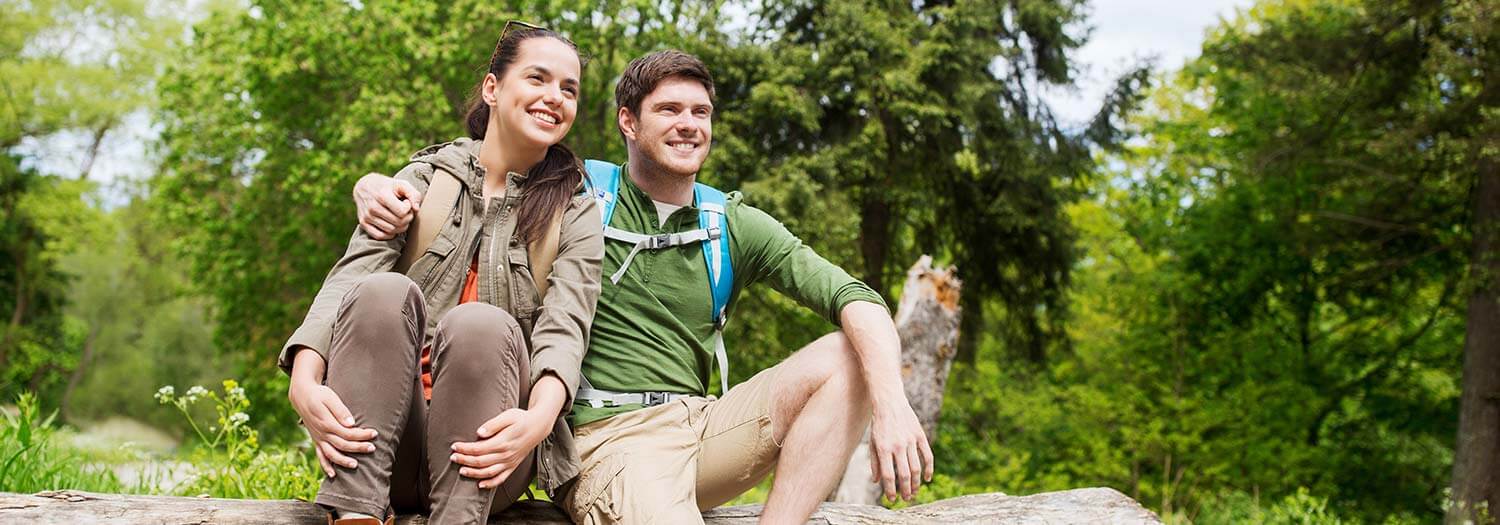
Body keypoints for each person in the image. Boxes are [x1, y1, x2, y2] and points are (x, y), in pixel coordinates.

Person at [354, 50, 933, 524]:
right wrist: (376, 184)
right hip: (605, 438)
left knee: (850, 354)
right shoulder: (572, 188)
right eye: (670, 109)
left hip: (703, 426)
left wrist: (892, 403)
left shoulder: (729, 223)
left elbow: (855, 296)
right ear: (628, 122)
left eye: (701, 112)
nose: (689, 124)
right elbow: (480, 162)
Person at [280, 24, 603, 525]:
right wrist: (303, 379)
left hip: (489, 455)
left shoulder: (576, 213)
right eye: (537, 78)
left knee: (480, 323)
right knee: (382, 290)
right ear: (492, 89)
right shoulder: (423, 181)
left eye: (569, 89)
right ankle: (355, 516)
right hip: (383, 441)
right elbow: (350, 278)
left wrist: (536, 422)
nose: (554, 98)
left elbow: (567, 328)